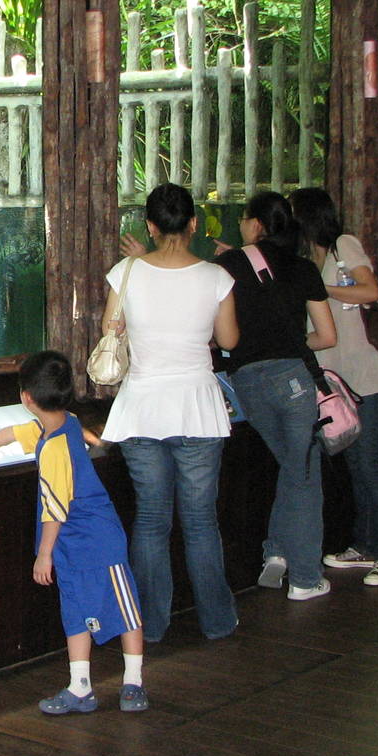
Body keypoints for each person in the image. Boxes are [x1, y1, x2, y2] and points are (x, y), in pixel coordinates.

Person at [0, 351, 149, 714]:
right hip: (72, 544)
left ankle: (134, 681)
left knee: (124, 607)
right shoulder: (59, 422)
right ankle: (80, 686)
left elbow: (55, 507)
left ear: (26, 398)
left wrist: (43, 554)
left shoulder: (54, 445)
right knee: (75, 608)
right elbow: (14, 433)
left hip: (97, 540)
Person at [104, 182, 241, 642]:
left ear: (150, 225)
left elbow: (110, 328)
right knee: (200, 520)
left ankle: (151, 625)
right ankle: (218, 621)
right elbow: (229, 342)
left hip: (141, 407)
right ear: (194, 224)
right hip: (198, 408)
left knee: (150, 519)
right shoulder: (216, 277)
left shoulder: (126, 271)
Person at [214, 192, 338, 601]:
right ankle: (304, 578)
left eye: (245, 219)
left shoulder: (228, 265)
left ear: (256, 225)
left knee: (294, 464)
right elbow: (326, 336)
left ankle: (277, 553)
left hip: (247, 382)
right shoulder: (302, 268)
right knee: (303, 471)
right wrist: (285, 340)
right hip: (292, 380)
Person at [291, 187, 378, 588]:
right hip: (336, 383)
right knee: (356, 464)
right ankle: (365, 544)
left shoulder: (343, 246)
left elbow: (370, 290)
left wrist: (322, 290)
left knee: (371, 463)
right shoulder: (308, 260)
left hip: (368, 375)